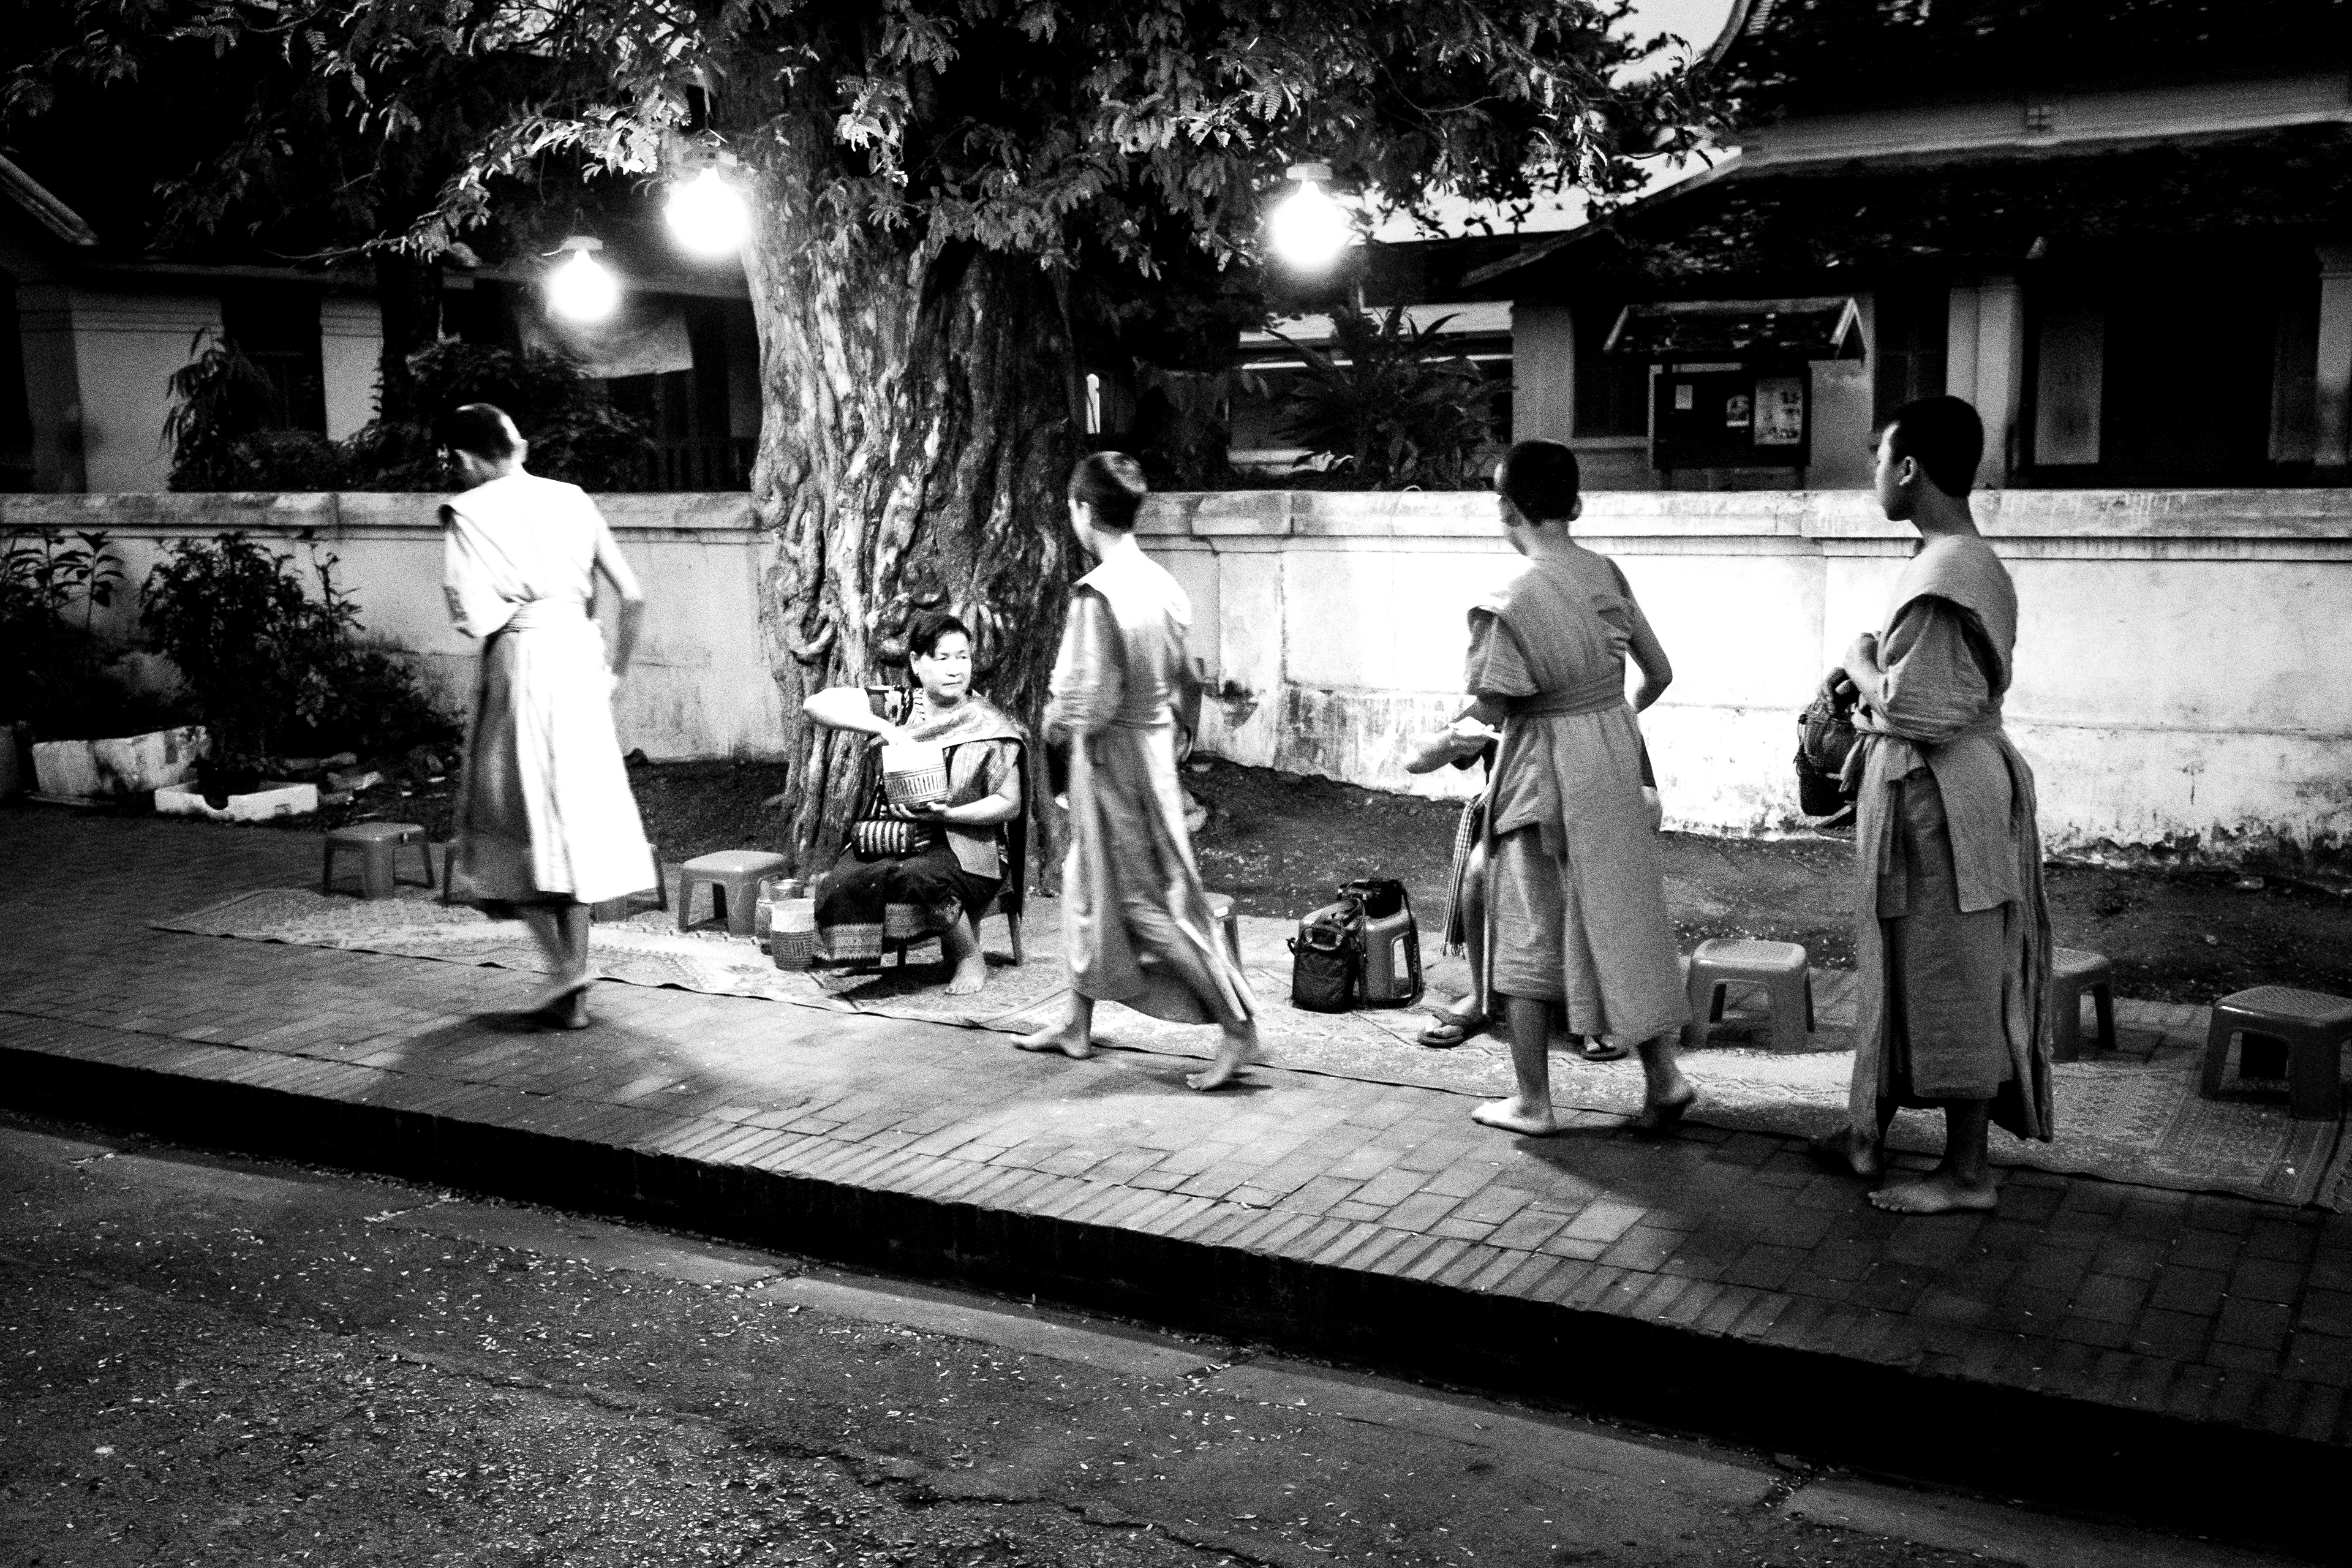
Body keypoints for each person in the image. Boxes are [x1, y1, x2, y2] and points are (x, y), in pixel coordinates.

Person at [1812, 396, 2053, 1214]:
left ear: (1909, 468)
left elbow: (1919, 709)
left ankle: (1967, 1174)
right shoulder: (1951, 558)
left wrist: (1859, 658)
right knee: (1903, 964)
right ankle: (1866, 1131)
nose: (1874, 473)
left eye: (1879, 458)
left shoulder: (1949, 569)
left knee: (1956, 972)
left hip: (1947, 800)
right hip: (1932, 793)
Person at [1416, 440, 1691, 1136]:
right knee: (1621, 917)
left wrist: (1436, 748)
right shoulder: (1606, 573)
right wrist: (1605, 718)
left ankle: (1532, 1101)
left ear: (1506, 509)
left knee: (1526, 929)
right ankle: (1665, 1078)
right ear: (1575, 504)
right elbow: (1659, 674)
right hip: (1613, 761)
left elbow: (1491, 712)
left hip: (1543, 774)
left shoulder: (1507, 601)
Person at [1015, 453, 1259, 1090]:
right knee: (1085, 880)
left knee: (1143, 904)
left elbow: (1089, 702)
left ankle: (1237, 1026)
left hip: (1113, 759)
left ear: (1082, 510)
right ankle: (1076, 1022)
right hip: (1149, 752)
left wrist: (1052, 724)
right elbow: (1182, 677)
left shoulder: (1097, 595)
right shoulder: (1162, 583)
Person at [440, 402, 657, 1030]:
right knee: (573, 822)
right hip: (581, 662)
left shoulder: (470, 512)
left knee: (503, 817)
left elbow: (470, 612)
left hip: (522, 659)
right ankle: (574, 1000)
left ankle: (563, 968)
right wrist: (616, 673)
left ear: (467, 457)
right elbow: (633, 594)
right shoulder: (572, 498)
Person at [803, 611, 1026, 995]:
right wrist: (884, 728)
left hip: (968, 840)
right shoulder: (899, 705)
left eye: (963, 657)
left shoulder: (987, 722)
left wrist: (950, 814)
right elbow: (814, 704)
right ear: (917, 663)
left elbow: (1010, 805)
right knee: (845, 879)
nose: (955, 669)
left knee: (920, 877)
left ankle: (968, 957)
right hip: (897, 832)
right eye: (942, 658)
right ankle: (863, 954)